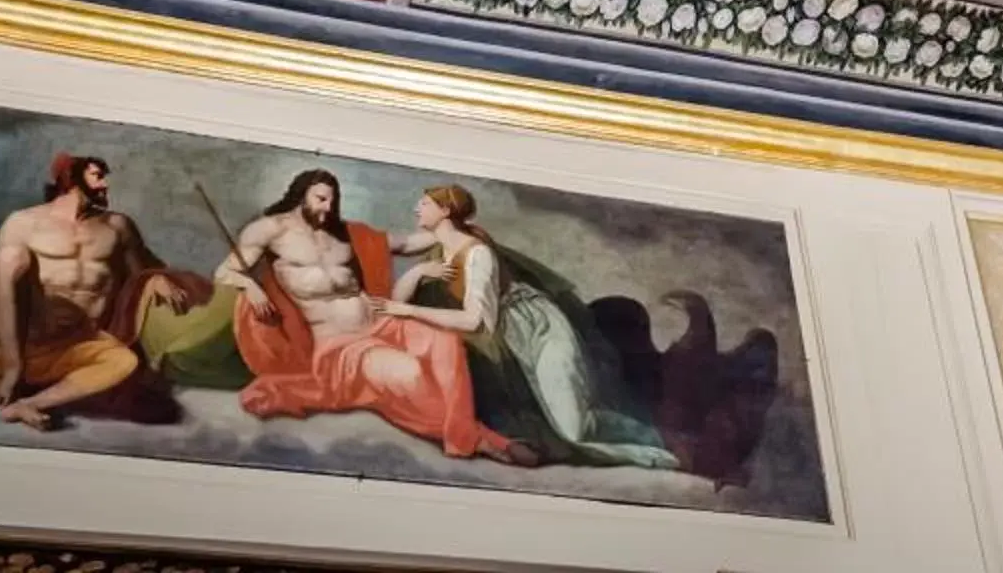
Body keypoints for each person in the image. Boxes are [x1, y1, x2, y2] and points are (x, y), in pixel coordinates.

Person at [224, 169, 536, 465]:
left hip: (381, 322)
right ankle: (482, 439)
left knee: (445, 343)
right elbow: (225, 272)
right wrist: (250, 285)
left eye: (333, 200)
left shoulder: (344, 234)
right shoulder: (269, 230)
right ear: (301, 194)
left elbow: (407, 243)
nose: (328, 207)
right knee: (410, 372)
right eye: (321, 199)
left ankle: (466, 433)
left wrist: (452, 228)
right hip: (341, 348)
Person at [379, 185, 682, 470]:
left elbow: (475, 320)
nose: (416, 207)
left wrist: (405, 308)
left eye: (425, 203)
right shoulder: (442, 240)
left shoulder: (476, 254)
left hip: (540, 331)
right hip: (513, 340)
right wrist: (418, 271)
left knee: (572, 430)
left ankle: (658, 446)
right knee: (557, 424)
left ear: (445, 211)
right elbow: (399, 261)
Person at [0, 154, 201, 428]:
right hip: (32, 340)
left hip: (83, 340)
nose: (106, 184)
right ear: (71, 179)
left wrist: (154, 280)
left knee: (125, 363)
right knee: (10, 258)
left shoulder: (117, 226)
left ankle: (29, 405)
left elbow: (141, 273)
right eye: (97, 176)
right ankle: (13, 370)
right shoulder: (24, 223)